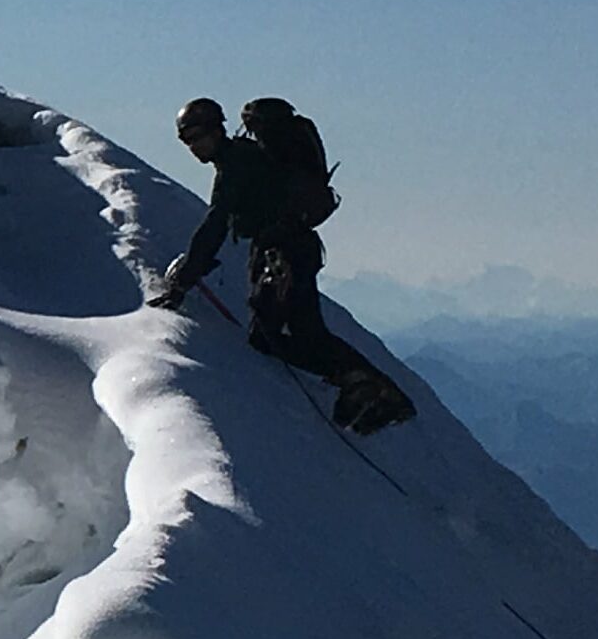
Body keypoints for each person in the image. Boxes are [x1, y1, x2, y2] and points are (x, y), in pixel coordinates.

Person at [151, 97, 415, 435]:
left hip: (282, 253)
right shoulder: (243, 159)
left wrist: (185, 279)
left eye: (196, 136)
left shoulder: (235, 165)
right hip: (292, 249)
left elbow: (215, 225)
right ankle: (364, 390)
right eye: (186, 140)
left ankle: (366, 389)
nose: (193, 146)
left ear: (217, 129)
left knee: (268, 336)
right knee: (304, 331)